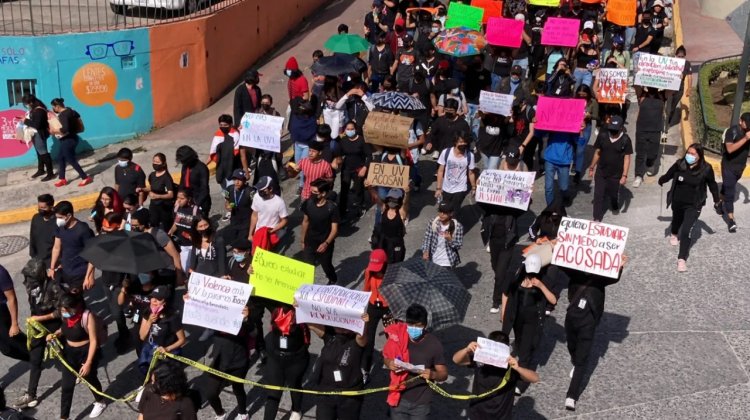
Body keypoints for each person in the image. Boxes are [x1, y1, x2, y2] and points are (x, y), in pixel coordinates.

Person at [197, 239, 254, 420]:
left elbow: (252, 327)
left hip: (237, 355)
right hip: (220, 355)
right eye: (234, 250)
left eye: (239, 251)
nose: (235, 253)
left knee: (238, 388)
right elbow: (205, 306)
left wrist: (247, 316)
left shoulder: (252, 267)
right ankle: (220, 414)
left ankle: (243, 412)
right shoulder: (231, 265)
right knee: (211, 391)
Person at [561, 256, 627, 411]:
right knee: (572, 345)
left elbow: (613, 277)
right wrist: (556, 248)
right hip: (571, 317)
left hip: (589, 321)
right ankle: (575, 359)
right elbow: (562, 264)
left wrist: (619, 266)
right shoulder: (574, 272)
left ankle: (571, 396)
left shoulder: (600, 278)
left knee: (582, 359)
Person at [658, 143, 720, 272]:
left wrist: (716, 201)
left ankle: (682, 259)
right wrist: (662, 180)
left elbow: (713, 185)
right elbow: (669, 174)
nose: (689, 156)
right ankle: (674, 233)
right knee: (676, 220)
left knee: (686, 231)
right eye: (688, 153)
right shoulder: (680, 164)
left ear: (699, 156)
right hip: (677, 201)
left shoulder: (706, 169)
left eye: (693, 154)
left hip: (694, 205)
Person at [500, 255, 556, 395]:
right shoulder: (517, 276)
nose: (531, 275)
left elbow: (553, 300)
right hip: (517, 318)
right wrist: (503, 312)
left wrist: (541, 286)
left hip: (533, 321)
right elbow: (506, 293)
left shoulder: (543, 279)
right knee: (519, 342)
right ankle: (521, 365)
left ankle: (521, 381)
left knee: (526, 350)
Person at [452, 331, 540, 419]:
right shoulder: (480, 360)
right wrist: (466, 350)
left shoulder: (511, 367)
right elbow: (456, 360)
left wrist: (518, 368)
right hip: (477, 414)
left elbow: (535, 378)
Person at [46, 293, 107, 419]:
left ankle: (100, 401)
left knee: (90, 378)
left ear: (75, 307)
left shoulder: (87, 316)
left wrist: (88, 363)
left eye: (65, 310)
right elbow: (64, 329)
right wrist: (56, 334)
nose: (63, 313)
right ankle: (64, 417)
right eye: (62, 310)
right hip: (69, 352)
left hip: (86, 351)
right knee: (67, 385)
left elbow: (94, 341)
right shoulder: (65, 316)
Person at [383, 304, 448, 419]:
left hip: (421, 403)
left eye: (418, 326)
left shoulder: (434, 344)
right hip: (398, 396)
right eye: (410, 325)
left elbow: (443, 374)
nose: (413, 329)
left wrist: (433, 374)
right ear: (406, 322)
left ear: (425, 325)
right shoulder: (398, 337)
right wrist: (389, 363)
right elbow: (387, 358)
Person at [14, 258, 62, 409]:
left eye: (31, 278)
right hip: (37, 326)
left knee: (64, 353)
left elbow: (61, 311)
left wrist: (41, 318)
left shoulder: (54, 287)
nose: (28, 281)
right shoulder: (31, 286)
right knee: (35, 359)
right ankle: (31, 394)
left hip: (53, 326)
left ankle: (80, 370)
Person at [308, 314, 369, 420]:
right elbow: (311, 324)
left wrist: (364, 323)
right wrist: (300, 307)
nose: (339, 324)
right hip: (326, 393)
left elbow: (362, 336)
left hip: (349, 397)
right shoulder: (330, 337)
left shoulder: (356, 342)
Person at [263, 303, 310, 420]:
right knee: (273, 393)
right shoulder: (275, 308)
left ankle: (296, 410)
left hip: (296, 359)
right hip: (275, 358)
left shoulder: (302, 312)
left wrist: (301, 308)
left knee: (294, 385)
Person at [588, 116, 633, 222]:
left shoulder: (626, 140)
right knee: (598, 195)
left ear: (621, 128)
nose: (613, 131)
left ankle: (614, 205)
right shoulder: (602, 136)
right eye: (611, 129)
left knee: (613, 193)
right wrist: (591, 167)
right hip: (601, 171)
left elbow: (627, 158)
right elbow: (597, 152)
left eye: (615, 129)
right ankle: (597, 218)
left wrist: (624, 175)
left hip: (615, 174)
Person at [360, 249, 394, 382]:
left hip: (387, 309)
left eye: (378, 268)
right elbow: (366, 290)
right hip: (373, 307)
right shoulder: (369, 272)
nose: (376, 271)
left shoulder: (392, 274)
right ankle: (365, 370)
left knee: (392, 338)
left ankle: (396, 367)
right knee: (368, 339)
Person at [138, 286, 186, 373]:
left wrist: (167, 349)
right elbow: (142, 336)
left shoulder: (172, 317)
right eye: (153, 297)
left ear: (165, 302)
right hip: (151, 348)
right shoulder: (147, 311)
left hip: (167, 352)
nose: (154, 301)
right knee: (148, 372)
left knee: (166, 377)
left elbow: (182, 340)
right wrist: (149, 322)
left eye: (158, 298)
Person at [49, 201, 95, 292]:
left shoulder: (83, 230)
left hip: (79, 272)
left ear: (69, 216)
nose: (58, 220)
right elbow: (56, 247)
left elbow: (92, 253)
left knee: (74, 302)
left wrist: (90, 276)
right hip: (65, 269)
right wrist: (52, 268)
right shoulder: (60, 226)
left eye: (60, 217)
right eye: (57, 217)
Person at [301, 179, 340, 284]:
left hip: (324, 243)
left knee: (326, 266)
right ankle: (308, 290)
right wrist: (303, 240)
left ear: (323, 194)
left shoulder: (331, 208)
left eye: (315, 192)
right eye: (311, 191)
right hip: (310, 241)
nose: (311, 194)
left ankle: (332, 279)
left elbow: (335, 230)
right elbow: (305, 221)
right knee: (307, 267)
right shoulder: (308, 204)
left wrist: (326, 243)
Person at [718, 112, 750, 232]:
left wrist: (747, 197)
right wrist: (746, 138)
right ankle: (731, 220)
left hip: (740, 167)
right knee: (730, 193)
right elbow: (730, 149)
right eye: (746, 123)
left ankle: (718, 203)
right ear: (741, 121)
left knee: (727, 187)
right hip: (729, 166)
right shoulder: (732, 131)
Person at [50, 98, 92, 187]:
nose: (53, 109)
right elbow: (78, 115)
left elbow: (65, 129)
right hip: (73, 138)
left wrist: (54, 131)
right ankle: (62, 179)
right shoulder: (70, 110)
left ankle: (85, 177)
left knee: (71, 159)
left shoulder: (63, 115)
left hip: (68, 140)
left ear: (57, 106)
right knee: (60, 157)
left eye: (53, 107)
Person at [435, 132, 477, 215]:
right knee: (445, 210)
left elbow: (471, 173)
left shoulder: (470, 156)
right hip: (446, 188)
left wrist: (473, 187)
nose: (463, 144)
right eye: (461, 142)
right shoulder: (446, 153)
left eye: (465, 142)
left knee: (454, 211)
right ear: (455, 142)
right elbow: (440, 171)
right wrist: (438, 188)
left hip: (460, 188)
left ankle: (454, 225)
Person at [338, 121, 371, 219]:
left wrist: (365, 168)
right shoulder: (343, 140)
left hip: (358, 169)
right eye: (348, 129)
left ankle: (360, 207)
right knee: (344, 189)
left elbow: (369, 156)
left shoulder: (361, 140)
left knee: (358, 190)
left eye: (352, 129)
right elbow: (339, 154)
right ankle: (342, 210)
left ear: (356, 129)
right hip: (346, 169)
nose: (350, 131)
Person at [633, 88, 665, 187]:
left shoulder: (662, 96)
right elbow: (636, 86)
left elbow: (672, 89)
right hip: (642, 129)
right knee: (640, 153)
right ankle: (638, 175)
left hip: (655, 130)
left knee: (653, 153)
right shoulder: (642, 94)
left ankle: (650, 163)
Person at [248, 176, 288, 252]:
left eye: (263, 190)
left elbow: (284, 220)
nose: (260, 192)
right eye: (259, 190)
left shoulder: (279, 202)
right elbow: (254, 215)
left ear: (270, 189)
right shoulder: (256, 197)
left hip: (271, 235)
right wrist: (250, 234)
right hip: (258, 233)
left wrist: (272, 231)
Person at [368, 188, 407, 263]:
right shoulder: (384, 208)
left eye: (394, 199)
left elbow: (405, 205)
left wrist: (407, 194)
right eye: (390, 198)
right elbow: (377, 197)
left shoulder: (401, 213)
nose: (392, 201)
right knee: (382, 263)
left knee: (395, 266)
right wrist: (370, 188)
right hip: (383, 243)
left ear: (399, 200)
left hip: (396, 245)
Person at [421, 202, 464, 269]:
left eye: (445, 212)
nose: (441, 214)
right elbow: (427, 238)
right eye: (440, 211)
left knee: (443, 279)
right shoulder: (433, 222)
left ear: (451, 213)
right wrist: (425, 251)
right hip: (433, 259)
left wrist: (450, 240)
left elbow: (458, 246)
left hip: (447, 261)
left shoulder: (458, 226)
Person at [209, 114, 242, 200]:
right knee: (225, 191)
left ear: (231, 125)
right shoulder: (217, 134)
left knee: (233, 191)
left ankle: (234, 208)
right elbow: (213, 151)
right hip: (221, 169)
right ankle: (229, 208)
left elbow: (236, 152)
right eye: (221, 125)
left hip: (231, 168)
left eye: (225, 125)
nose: (223, 127)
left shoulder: (235, 135)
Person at [21, 94, 54, 181]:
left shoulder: (39, 111)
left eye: (26, 104)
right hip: (36, 134)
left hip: (39, 134)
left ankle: (50, 173)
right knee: (39, 153)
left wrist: (25, 121)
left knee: (44, 153)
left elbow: (37, 125)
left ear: (31, 102)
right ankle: (41, 170)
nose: (26, 105)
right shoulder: (35, 110)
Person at [0, 264, 28, 363]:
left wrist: (14, 324)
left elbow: (11, 299)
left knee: (11, 343)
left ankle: (35, 356)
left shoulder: (1, 273)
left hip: (1, 314)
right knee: (6, 349)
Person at [168, 188, 200, 271]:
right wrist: (171, 231)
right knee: (185, 267)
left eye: (182, 199)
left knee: (195, 266)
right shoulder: (176, 208)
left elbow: (200, 226)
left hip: (193, 244)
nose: (179, 201)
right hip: (182, 244)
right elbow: (176, 222)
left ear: (189, 199)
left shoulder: (195, 211)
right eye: (177, 198)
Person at [220, 168, 254, 245]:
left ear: (245, 181)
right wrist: (227, 206)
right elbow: (227, 201)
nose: (237, 182)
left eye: (240, 180)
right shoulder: (229, 189)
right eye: (235, 179)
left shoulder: (251, 191)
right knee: (233, 240)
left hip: (246, 221)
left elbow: (256, 209)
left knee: (243, 242)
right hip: (234, 220)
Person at [175, 145, 211, 217]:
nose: (182, 163)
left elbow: (204, 189)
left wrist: (196, 204)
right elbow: (182, 183)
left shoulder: (202, 168)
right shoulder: (185, 166)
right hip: (188, 199)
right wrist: (179, 198)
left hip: (200, 201)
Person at [143, 153, 175, 231]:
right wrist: (142, 189)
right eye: (154, 162)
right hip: (154, 205)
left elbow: (171, 194)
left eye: (158, 162)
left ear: (163, 163)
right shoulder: (152, 175)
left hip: (164, 207)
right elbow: (151, 187)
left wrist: (158, 196)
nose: (155, 164)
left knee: (165, 227)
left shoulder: (167, 178)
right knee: (153, 224)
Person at [574, 84, 599, 182]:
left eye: (584, 95)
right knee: (573, 147)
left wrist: (589, 116)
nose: (581, 97)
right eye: (579, 95)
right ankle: (575, 162)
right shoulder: (574, 100)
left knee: (580, 150)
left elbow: (596, 116)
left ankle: (578, 171)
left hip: (586, 127)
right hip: (574, 126)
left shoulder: (593, 102)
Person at [29, 194, 57, 265]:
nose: (41, 210)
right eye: (39, 207)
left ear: (51, 207)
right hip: (38, 260)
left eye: (44, 208)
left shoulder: (57, 221)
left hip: (52, 260)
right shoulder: (36, 218)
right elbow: (32, 237)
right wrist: (33, 255)